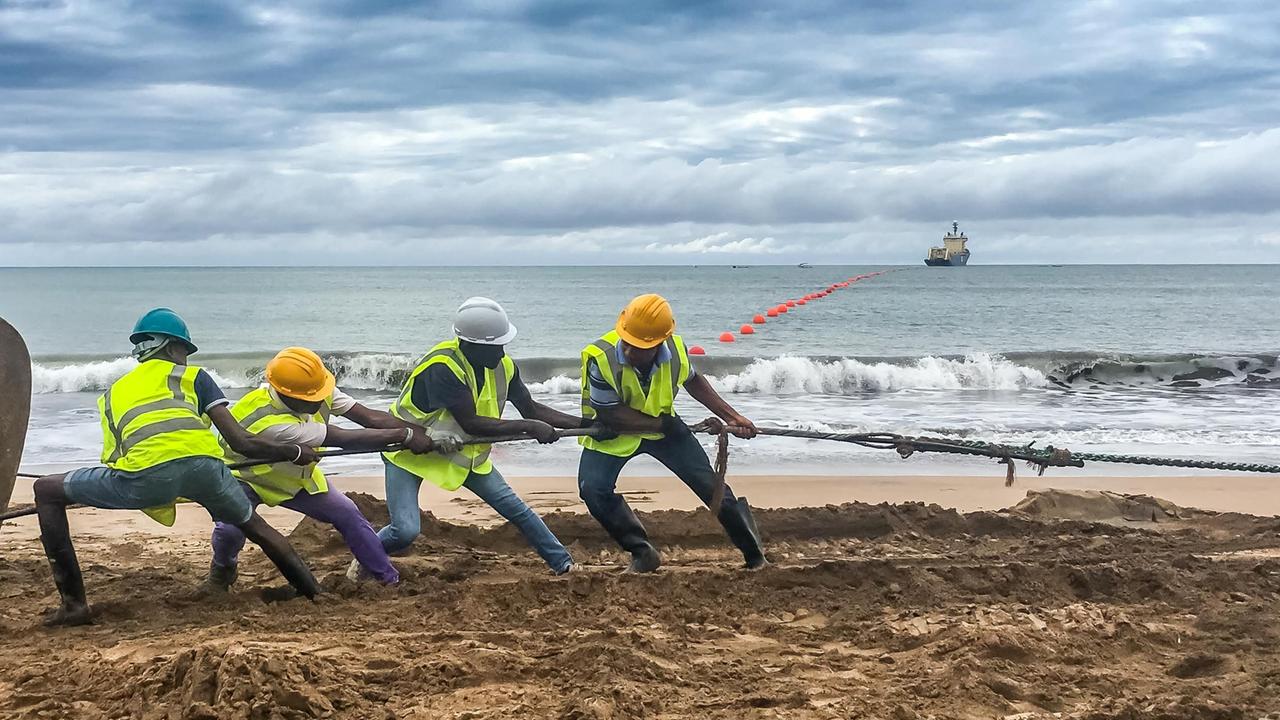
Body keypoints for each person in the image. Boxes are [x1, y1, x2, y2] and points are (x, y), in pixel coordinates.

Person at [32, 308, 322, 626]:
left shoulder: (112, 394)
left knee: (45, 490)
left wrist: (152, 490)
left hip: (146, 477)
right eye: (185, 350)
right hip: (208, 471)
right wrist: (293, 451)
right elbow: (241, 442)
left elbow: (114, 457)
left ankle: (74, 606)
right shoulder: (195, 377)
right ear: (172, 347)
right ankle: (312, 592)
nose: (185, 357)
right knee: (257, 528)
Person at [207, 347, 463, 589]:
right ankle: (223, 570)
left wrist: (425, 433)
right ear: (287, 395)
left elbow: (369, 418)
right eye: (311, 399)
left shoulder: (315, 389)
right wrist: (405, 436)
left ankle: (387, 578)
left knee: (348, 514)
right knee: (229, 529)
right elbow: (342, 437)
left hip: (295, 477)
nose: (319, 401)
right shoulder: (271, 422)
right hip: (246, 478)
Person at [362, 297, 584, 576]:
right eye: (494, 347)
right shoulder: (443, 367)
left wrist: (587, 422)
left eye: (503, 344)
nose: (501, 353)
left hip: (462, 453)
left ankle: (563, 564)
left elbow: (533, 408)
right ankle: (365, 554)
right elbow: (471, 424)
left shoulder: (504, 366)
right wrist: (529, 427)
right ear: (469, 345)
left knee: (516, 509)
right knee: (404, 530)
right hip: (409, 449)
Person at [578, 294, 766, 572]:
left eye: (641, 347)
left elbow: (693, 381)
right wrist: (662, 425)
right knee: (592, 489)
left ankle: (755, 554)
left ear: (660, 342)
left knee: (711, 487)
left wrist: (733, 417)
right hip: (615, 431)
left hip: (665, 430)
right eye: (627, 342)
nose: (630, 351)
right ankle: (642, 552)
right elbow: (610, 412)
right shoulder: (599, 357)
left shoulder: (676, 350)